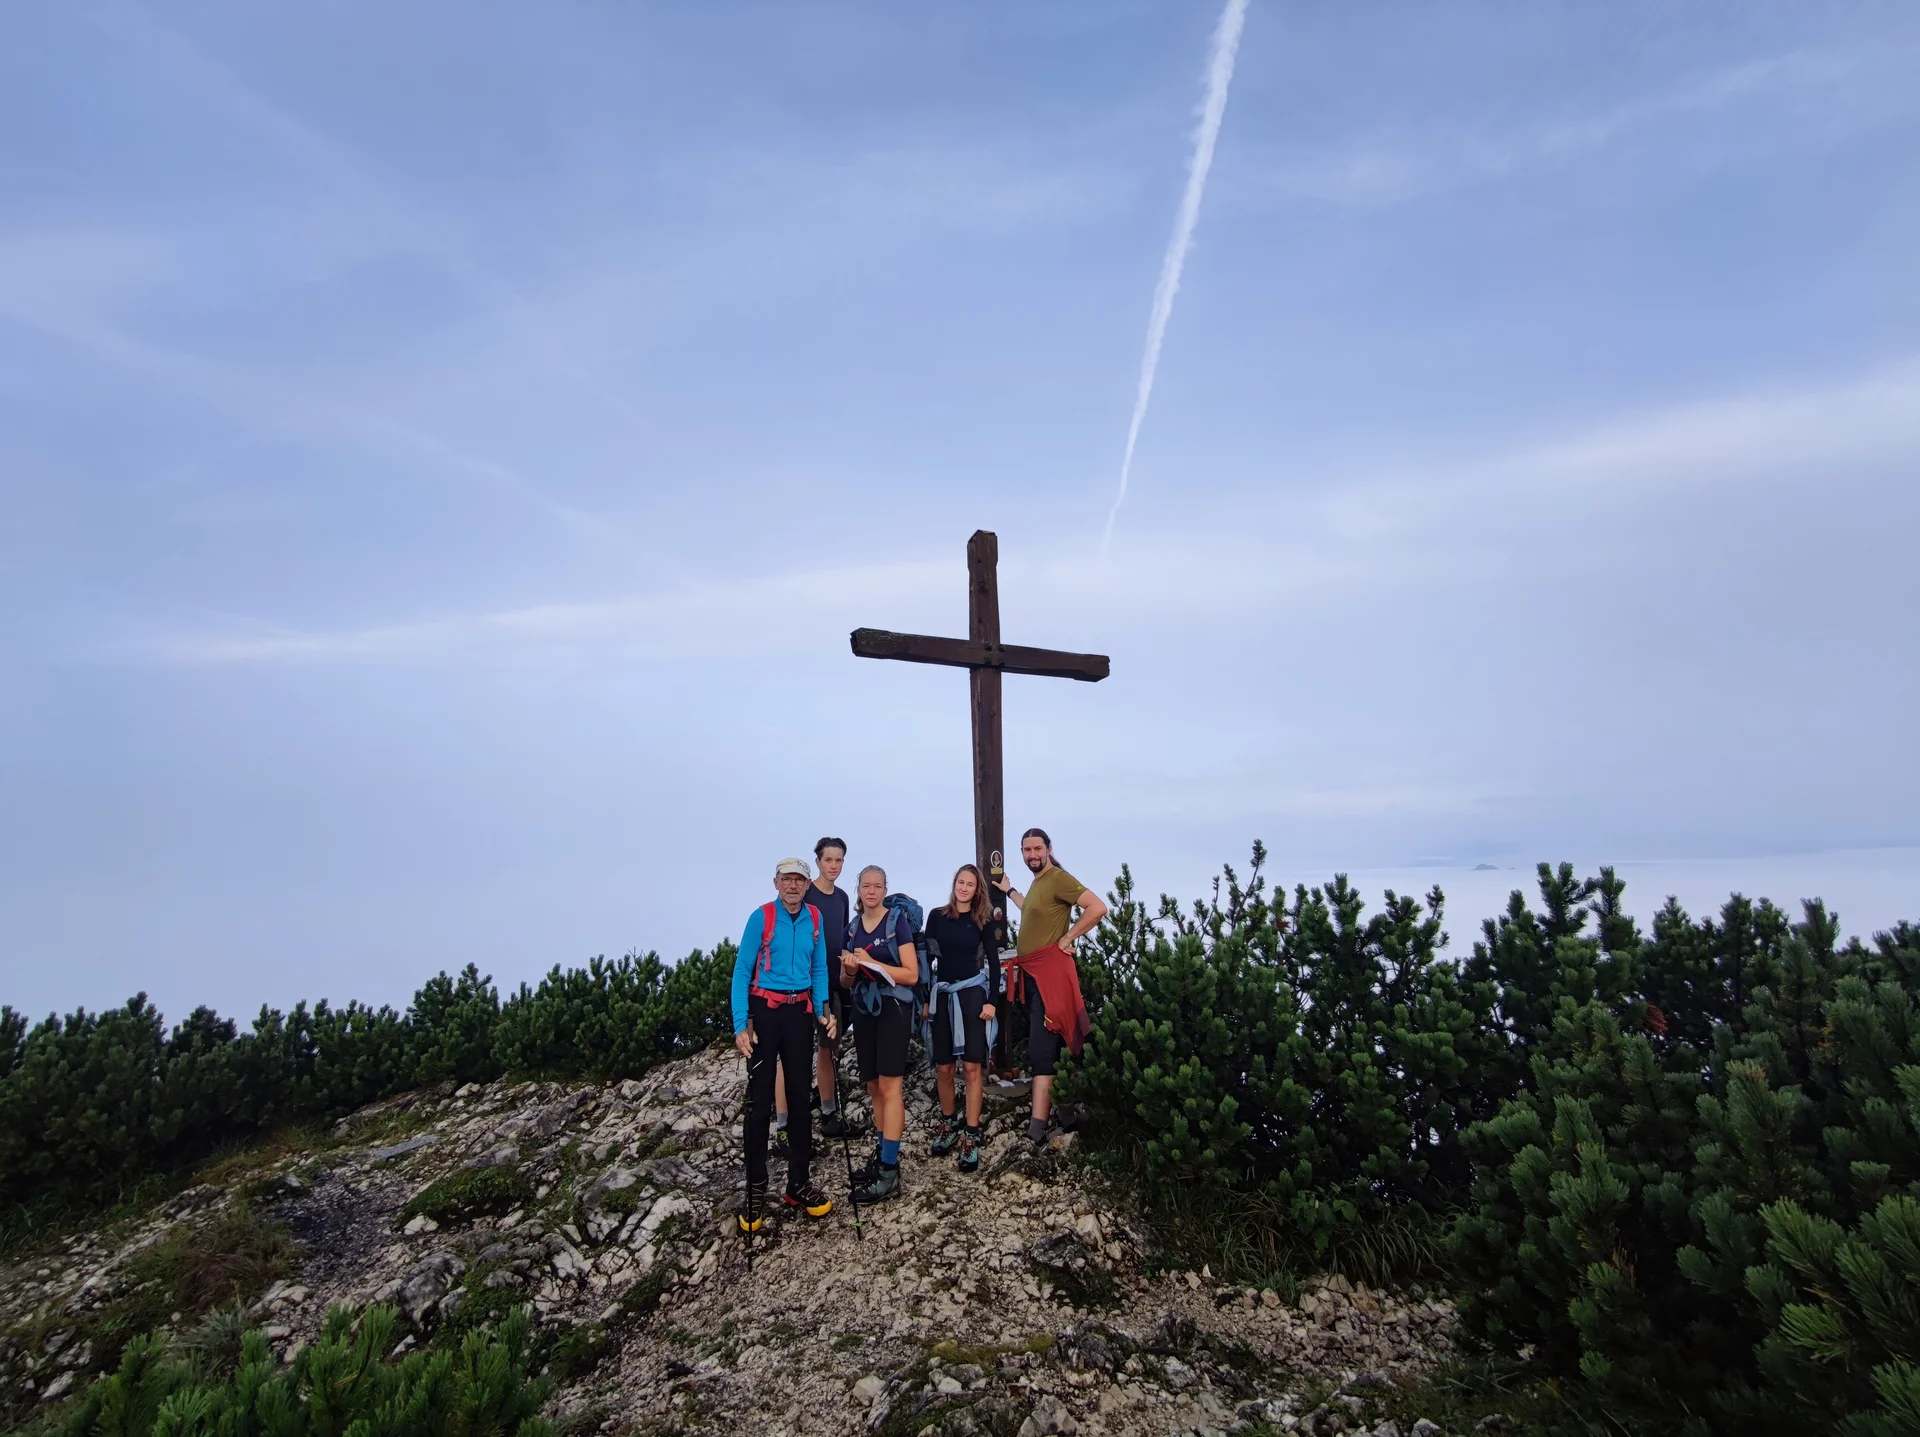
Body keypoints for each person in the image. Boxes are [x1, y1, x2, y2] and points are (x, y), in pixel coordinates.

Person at [732, 857, 836, 1230]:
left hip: (799, 1013)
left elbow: (820, 966)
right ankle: (756, 1187)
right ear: (776, 882)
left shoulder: (815, 919)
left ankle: (798, 1182)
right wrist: (740, 1024)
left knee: (798, 1097)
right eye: (786, 880)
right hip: (765, 1011)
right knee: (759, 1102)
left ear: (807, 884)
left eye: (799, 880)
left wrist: (823, 1007)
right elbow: (743, 969)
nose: (792, 886)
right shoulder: (761, 917)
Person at [994, 828, 1107, 1146]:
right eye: (1026, 849)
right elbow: (1031, 910)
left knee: (1042, 1051)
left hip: (1051, 977)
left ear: (1048, 849)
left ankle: (1037, 1127)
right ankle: (1068, 1114)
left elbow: (1097, 907)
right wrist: (1010, 890)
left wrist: (1069, 937)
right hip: (1035, 977)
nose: (1032, 854)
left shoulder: (1058, 877)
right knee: (1057, 1046)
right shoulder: (1038, 884)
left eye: (1037, 848)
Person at [773, 837, 857, 1158]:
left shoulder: (843, 898)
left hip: (830, 984)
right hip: (796, 985)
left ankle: (828, 1115)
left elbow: (841, 939)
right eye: (828, 860)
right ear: (818, 862)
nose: (833, 866)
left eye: (838, 861)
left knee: (827, 1049)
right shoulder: (804, 892)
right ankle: (783, 1125)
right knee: (789, 1055)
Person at [842, 863, 918, 1203]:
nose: (871, 891)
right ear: (858, 890)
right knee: (872, 1084)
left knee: (890, 1086)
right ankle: (881, 1151)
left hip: (893, 1010)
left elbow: (911, 974)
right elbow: (846, 982)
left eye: (877, 886)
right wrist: (850, 969)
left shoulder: (895, 923)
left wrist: (874, 965)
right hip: (864, 1009)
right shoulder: (853, 927)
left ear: (885, 890)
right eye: (865, 886)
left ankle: (889, 1170)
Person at [924, 863, 999, 1174]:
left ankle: (971, 1134)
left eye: (970, 884)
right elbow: (926, 959)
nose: (964, 887)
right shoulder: (936, 916)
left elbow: (993, 962)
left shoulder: (981, 920)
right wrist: (924, 998)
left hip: (971, 996)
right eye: (960, 881)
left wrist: (993, 1001)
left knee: (971, 1067)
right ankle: (948, 1123)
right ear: (954, 883)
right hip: (942, 995)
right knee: (943, 1067)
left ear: (977, 889)